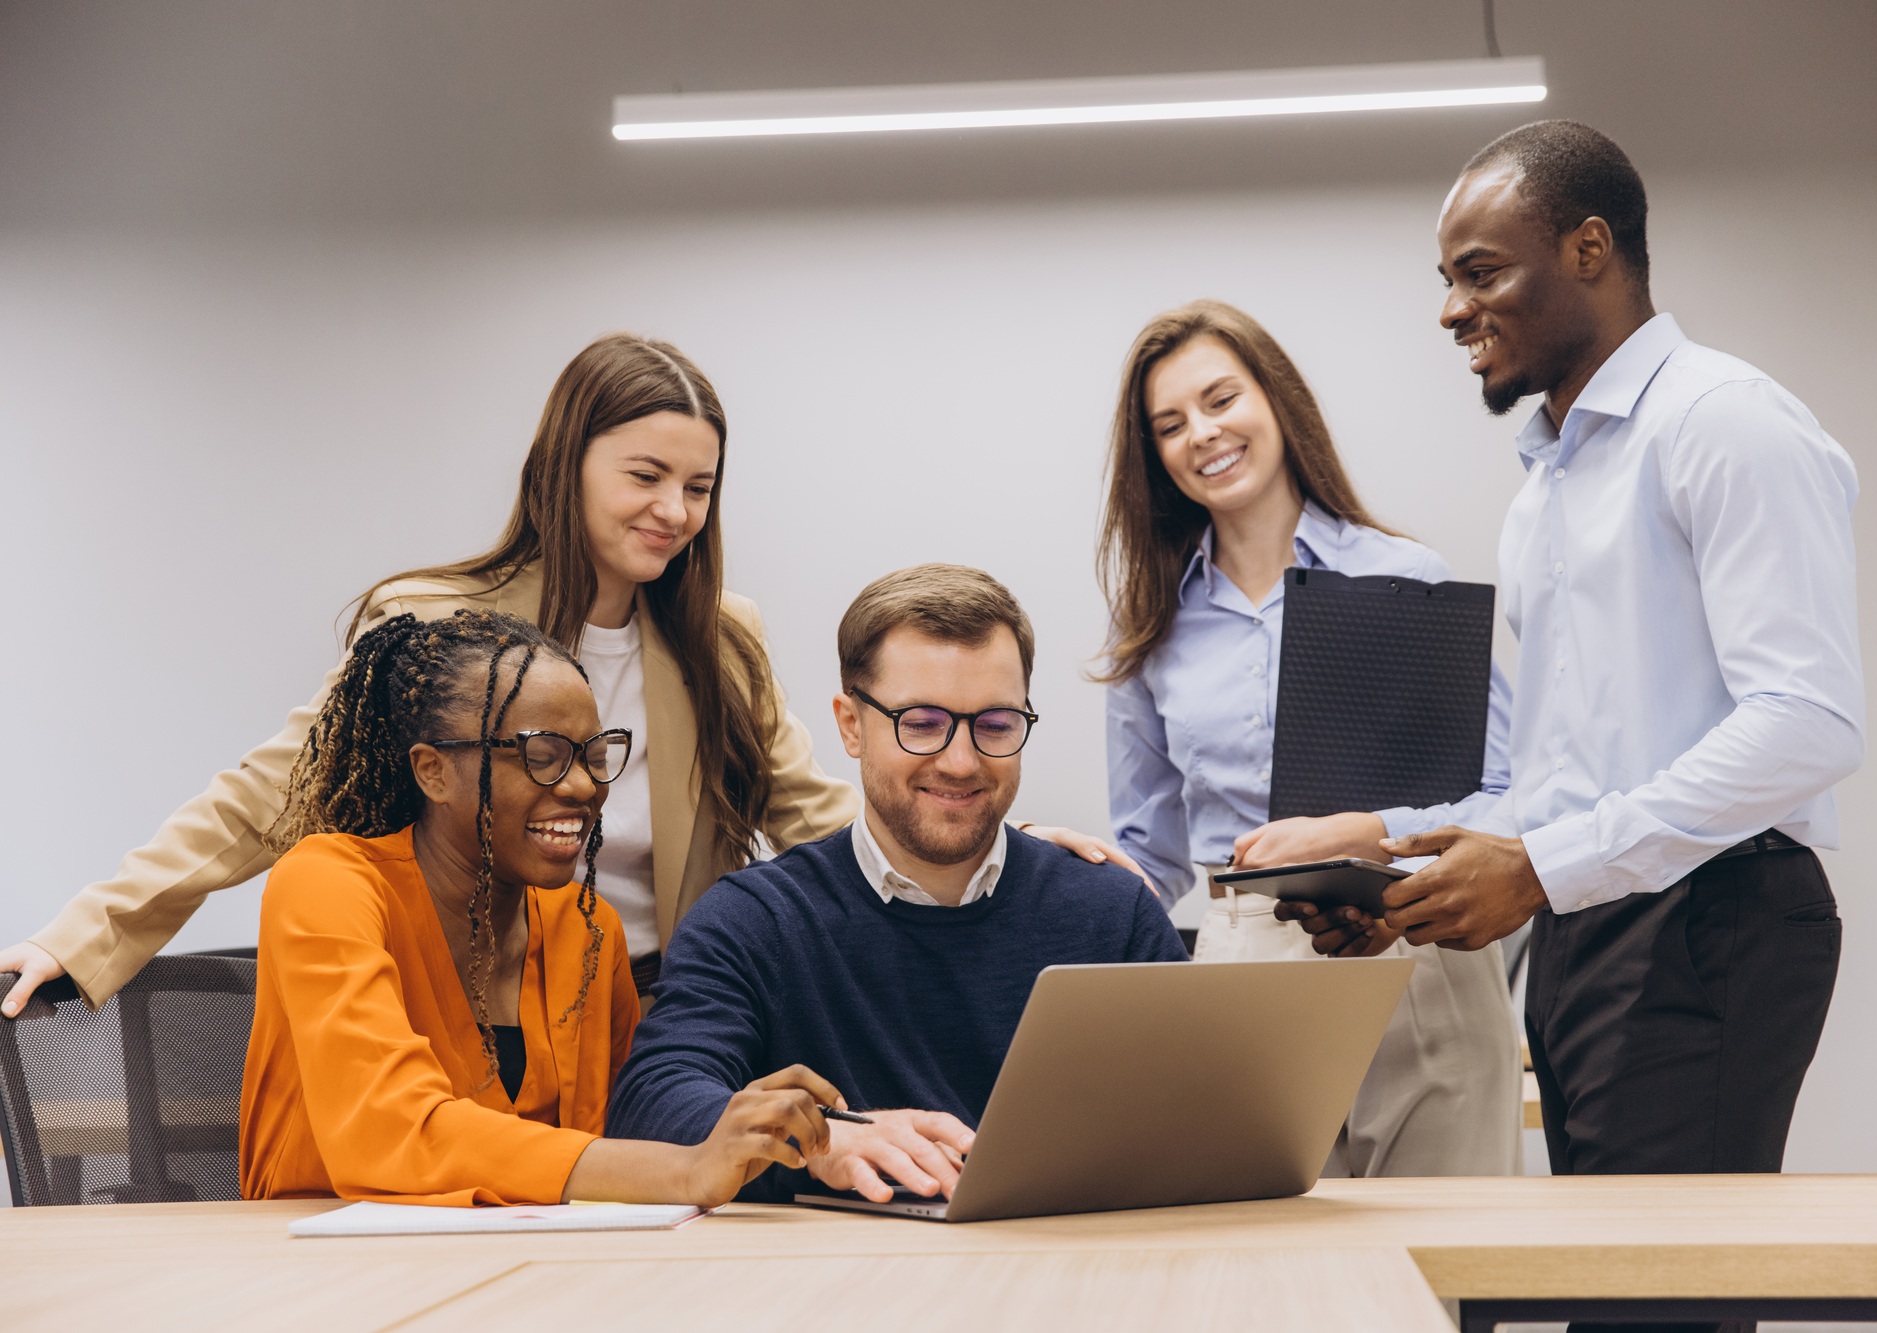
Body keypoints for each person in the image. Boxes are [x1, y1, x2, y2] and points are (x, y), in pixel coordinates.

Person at [1, 334, 1133, 1015]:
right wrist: (87, 932)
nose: (673, 511)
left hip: (658, 1016)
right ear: (565, 463)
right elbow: (265, 794)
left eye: (698, 487)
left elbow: (819, 812)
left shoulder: (716, 642)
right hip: (469, 1013)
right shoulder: (431, 626)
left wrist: (1004, 846)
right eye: (645, 474)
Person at [1285, 120, 1861, 1183]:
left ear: (1588, 250)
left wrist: (1544, 868)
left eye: (1480, 272)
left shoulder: (1723, 424)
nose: (1451, 308)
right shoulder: (1546, 488)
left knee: (1658, 1298)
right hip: (1584, 924)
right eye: (1447, 279)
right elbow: (1559, 785)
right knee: (1607, 1278)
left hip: (1706, 917)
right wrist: (1392, 865)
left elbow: (1807, 723)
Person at [1098, 300, 1521, 1179]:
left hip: (1419, 946)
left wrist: (1368, 831)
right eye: (1169, 425)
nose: (1201, 434)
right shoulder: (1153, 628)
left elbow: (1509, 791)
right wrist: (1060, 875)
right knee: (1264, 1287)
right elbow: (1152, 853)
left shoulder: (1406, 578)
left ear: (1275, 399)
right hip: (1249, 962)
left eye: (1220, 399)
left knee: (1437, 1278)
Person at [606, 565, 1187, 1204]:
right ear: (851, 726)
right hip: (843, 1286)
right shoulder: (753, 920)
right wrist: (818, 1141)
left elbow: (1207, 1108)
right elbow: (653, 1105)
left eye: (995, 725)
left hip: (1071, 1275)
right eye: (922, 722)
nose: (961, 761)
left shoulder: (1111, 911)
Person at [241, 607, 848, 1206]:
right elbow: (389, 1131)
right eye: (542, 754)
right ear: (433, 772)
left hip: (537, 1268)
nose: (583, 785)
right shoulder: (329, 883)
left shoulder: (587, 933)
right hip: (320, 1267)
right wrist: (686, 1170)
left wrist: (747, 1133)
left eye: (596, 754)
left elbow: (617, 1142)